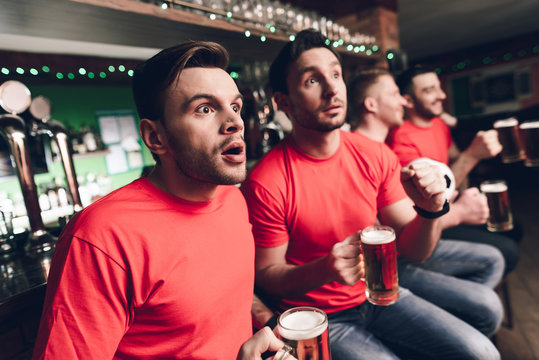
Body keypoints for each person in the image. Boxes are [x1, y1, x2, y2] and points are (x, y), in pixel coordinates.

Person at [241, 29, 500, 360]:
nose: (332, 87)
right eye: (312, 80)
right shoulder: (267, 181)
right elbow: (267, 277)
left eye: (336, 74)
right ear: (283, 102)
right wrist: (324, 269)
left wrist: (431, 211)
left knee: (483, 353)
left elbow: (413, 249)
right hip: (321, 319)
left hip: (381, 294)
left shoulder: (374, 154)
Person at [32, 41, 288, 360]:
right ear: (156, 137)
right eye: (205, 108)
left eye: (234, 106)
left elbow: (219, 295)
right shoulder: (101, 237)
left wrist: (270, 322)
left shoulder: (231, 198)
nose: (235, 122)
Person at [347, 68, 504, 334]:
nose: (403, 102)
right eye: (396, 94)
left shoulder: (384, 149)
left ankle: (450, 324)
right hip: (389, 266)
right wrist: (459, 211)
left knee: (495, 259)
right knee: (487, 304)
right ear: (371, 104)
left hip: (407, 251)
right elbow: (403, 231)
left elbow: (413, 217)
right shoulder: (363, 151)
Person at [389, 65, 520, 274]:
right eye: (429, 90)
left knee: (514, 230)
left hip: (452, 205)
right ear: (409, 101)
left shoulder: (438, 124)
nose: (441, 95)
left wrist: (468, 193)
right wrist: (472, 155)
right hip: (431, 223)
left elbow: (457, 160)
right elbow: (424, 200)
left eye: (439, 87)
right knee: (508, 250)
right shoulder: (401, 140)